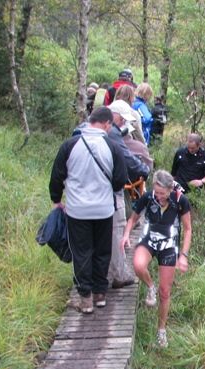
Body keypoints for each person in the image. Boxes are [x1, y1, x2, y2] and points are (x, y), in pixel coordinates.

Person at [49, 107, 128, 313]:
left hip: (77, 211)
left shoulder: (70, 145)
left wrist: (56, 200)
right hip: (103, 210)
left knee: (81, 252)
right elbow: (120, 180)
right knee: (102, 251)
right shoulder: (112, 147)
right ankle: (100, 294)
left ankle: (85, 298)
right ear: (107, 124)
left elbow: (57, 176)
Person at [120, 170, 192, 348]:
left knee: (165, 292)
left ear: (170, 190)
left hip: (168, 245)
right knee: (138, 265)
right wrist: (126, 234)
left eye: (162, 193)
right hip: (149, 240)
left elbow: (188, 229)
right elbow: (133, 218)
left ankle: (161, 330)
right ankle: (149, 286)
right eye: (156, 192)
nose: (158, 196)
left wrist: (183, 255)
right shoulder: (147, 197)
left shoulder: (180, 200)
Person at [107, 100, 151, 289]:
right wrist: (144, 170)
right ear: (114, 116)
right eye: (123, 119)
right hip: (113, 191)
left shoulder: (81, 132)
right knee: (116, 230)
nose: (124, 124)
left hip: (83, 197)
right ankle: (118, 274)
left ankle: (91, 282)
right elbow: (129, 160)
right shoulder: (114, 135)